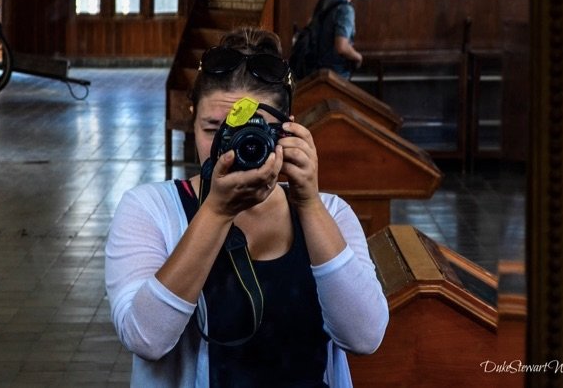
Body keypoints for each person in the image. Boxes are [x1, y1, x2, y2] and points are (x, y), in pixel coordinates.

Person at [105, 27, 388, 387]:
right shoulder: (148, 209)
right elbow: (145, 339)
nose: (228, 148)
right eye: (213, 129)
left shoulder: (329, 212)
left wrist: (309, 204)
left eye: (250, 132)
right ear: (191, 119)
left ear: (288, 131)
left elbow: (365, 337)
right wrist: (217, 213)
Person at [314, 0, 364, 79]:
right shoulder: (345, 10)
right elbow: (341, 47)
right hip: (335, 74)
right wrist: (358, 57)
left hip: (315, 68)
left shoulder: (325, 0)